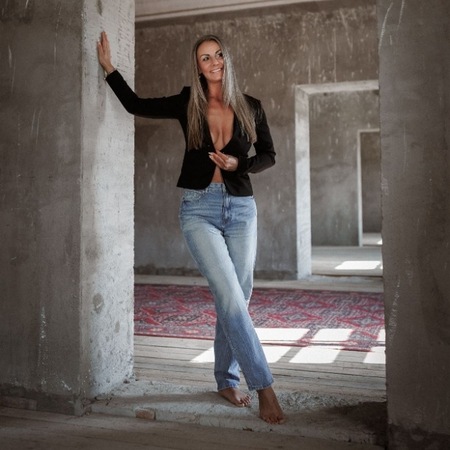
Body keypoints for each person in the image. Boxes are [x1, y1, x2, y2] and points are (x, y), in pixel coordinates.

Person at [97, 31, 284, 425]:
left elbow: (268, 154)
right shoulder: (189, 102)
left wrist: (240, 164)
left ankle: (225, 379)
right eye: (205, 58)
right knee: (230, 296)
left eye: (218, 55)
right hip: (199, 209)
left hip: (242, 209)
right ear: (197, 67)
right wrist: (110, 69)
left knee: (238, 296)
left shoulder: (251, 106)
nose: (214, 62)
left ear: (226, 59)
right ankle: (264, 386)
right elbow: (136, 104)